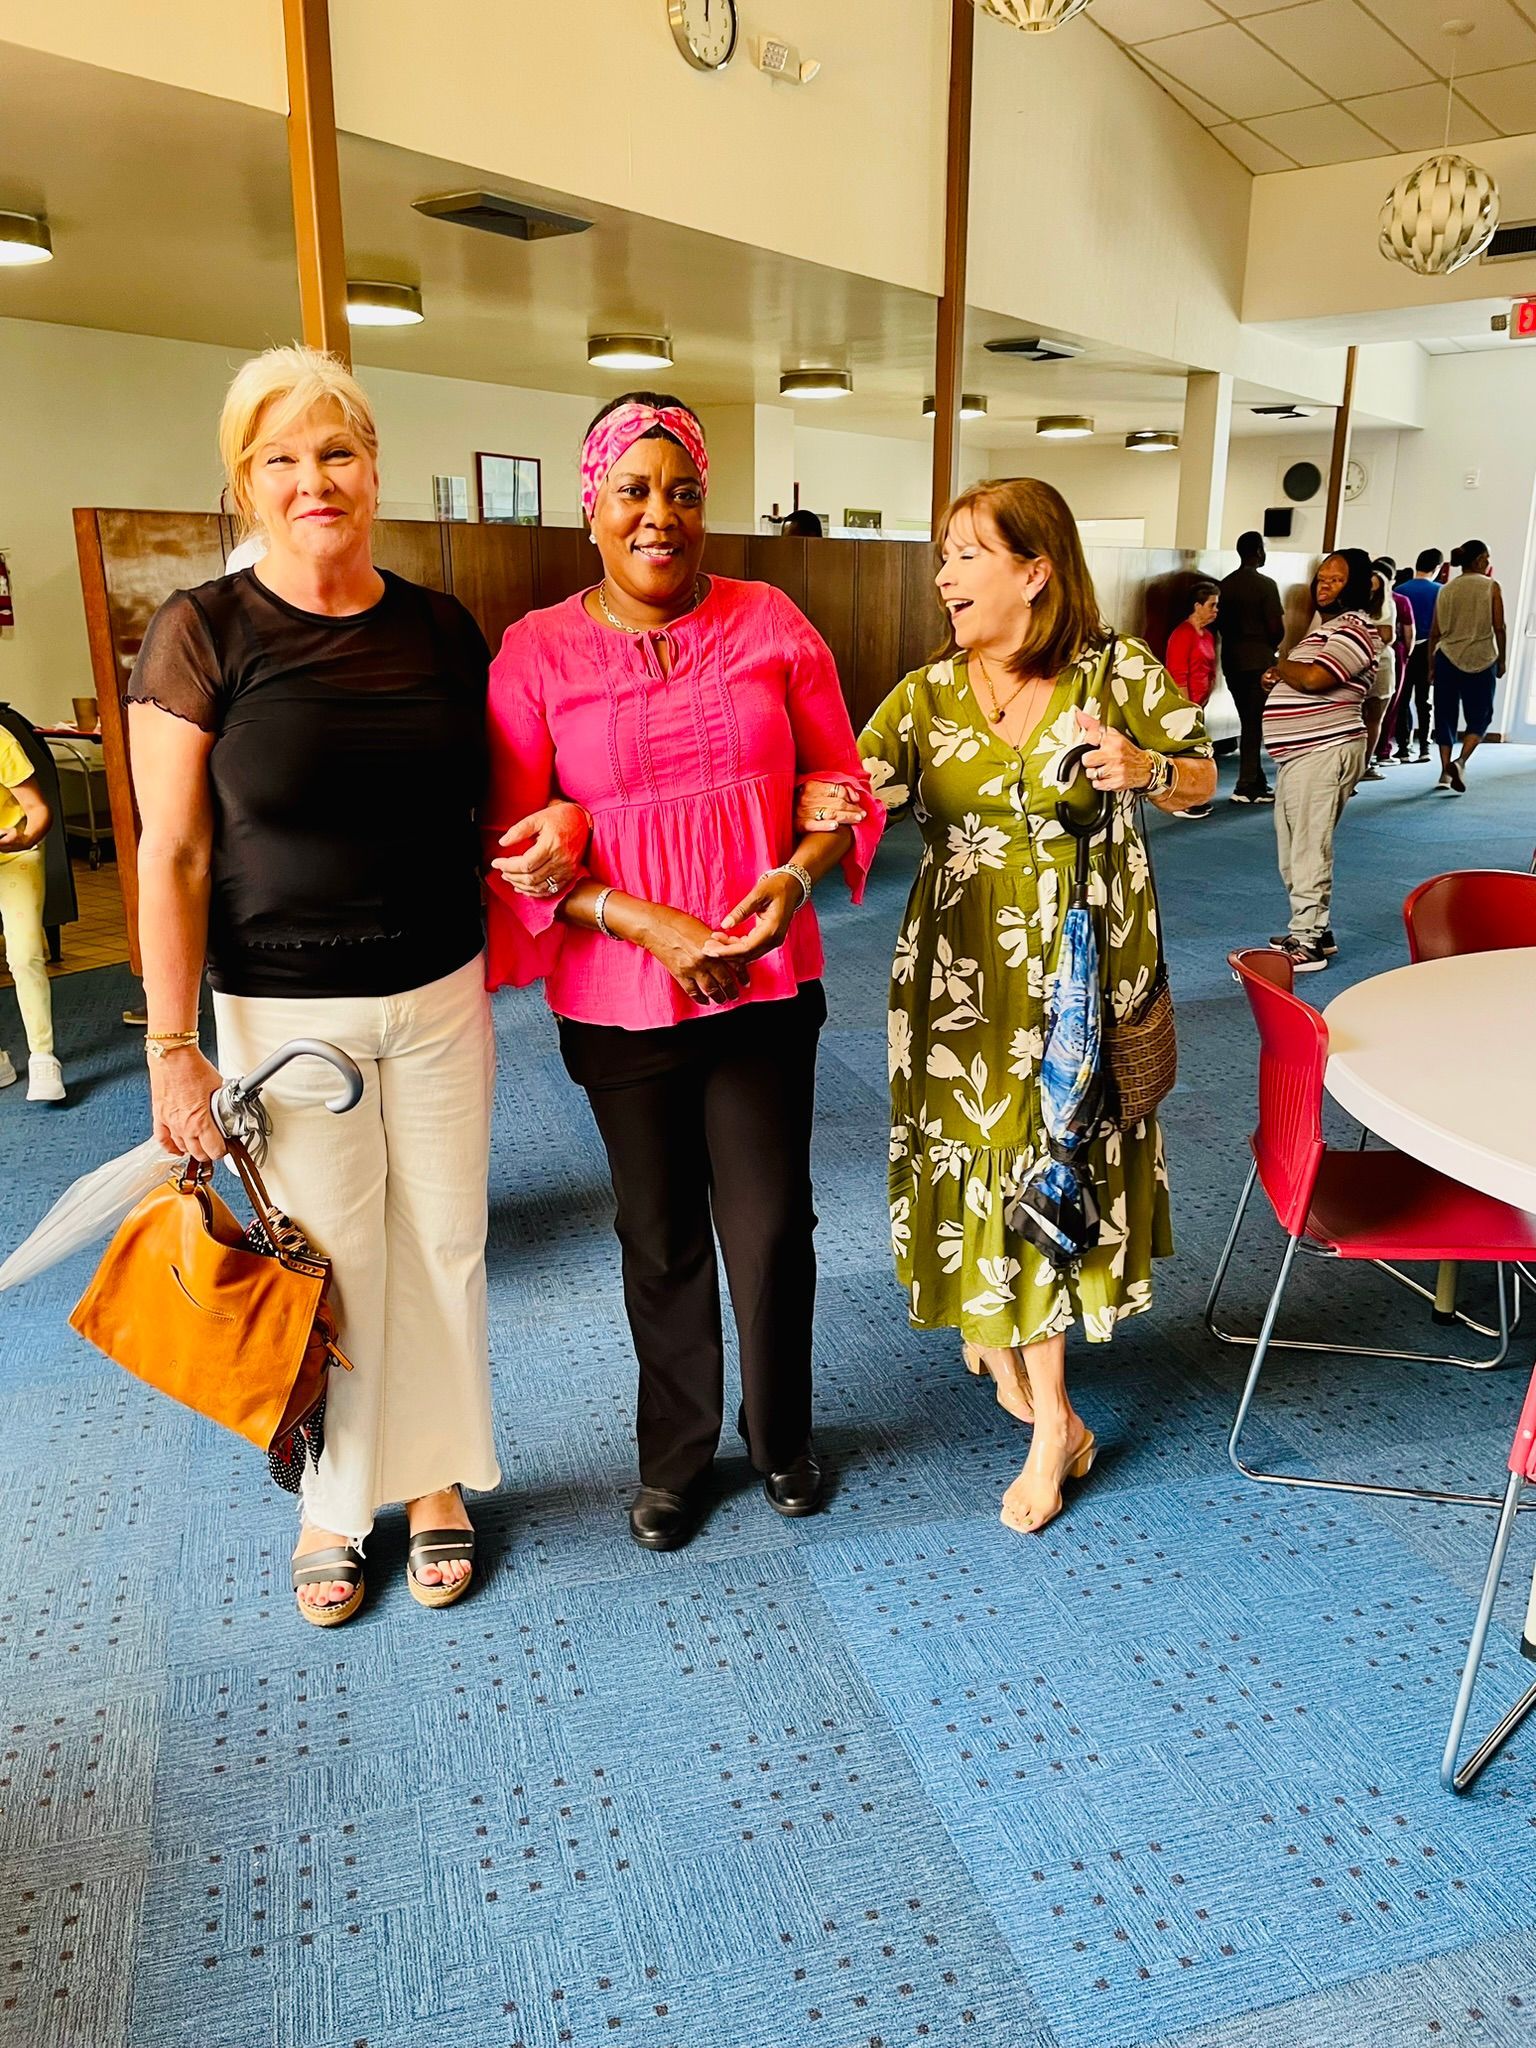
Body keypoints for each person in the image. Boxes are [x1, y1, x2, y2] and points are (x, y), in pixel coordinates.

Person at [127, 344, 587, 1626]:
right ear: (245, 484)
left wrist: (550, 828)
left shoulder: (441, 627)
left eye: (336, 451)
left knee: (444, 1240)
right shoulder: (202, 633)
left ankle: (435, 1475)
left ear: (374, 468)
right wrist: (173, 1044)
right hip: (279, 1010)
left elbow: (495, 808)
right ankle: (335, 1499)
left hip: (440, 988)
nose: (313, 479)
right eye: (280, 458)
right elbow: (170, 851)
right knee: (330, 1257)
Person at [483, 392, 883, 1554]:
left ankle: (781, 1433)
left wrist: (798, 877)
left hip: (762, 984)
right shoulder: (537, 652)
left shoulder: (773, 621)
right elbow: (511, 844)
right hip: (619, 998)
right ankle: (674, 1456)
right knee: (656, 1233)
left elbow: (838, 787)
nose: (662, 515)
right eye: (636, 492)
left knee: (770, 1226)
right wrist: (636, 916)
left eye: (684, 492)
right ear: (592, 509)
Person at [799, 478, 1215, 1537]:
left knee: (1046, 1161)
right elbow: (858, 781)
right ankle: (1011, 1342)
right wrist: (835, 797)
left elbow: (1202, 776)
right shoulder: (927, 691)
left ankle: (1054, 1427)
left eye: (966, 554)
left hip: (1079, 968)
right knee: (978, 1157)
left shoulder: (1115, 670)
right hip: (957, 972)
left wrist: (1147, 763)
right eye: (942, 556)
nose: (943, 576)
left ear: (1035, 570)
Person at [1261, 549, 1377, 972]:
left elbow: (1314, 678)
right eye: (1321, 578)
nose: (1324, 585)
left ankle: (1307, 940)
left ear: (1359, 585)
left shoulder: (1354, 629)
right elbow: (1303, 671)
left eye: (1337, 579)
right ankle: (1316, 930)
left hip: (1324, 750)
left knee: (1309, 847)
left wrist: (1281, 665)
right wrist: (1284, 672)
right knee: (1293, 848)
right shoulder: (1329, 629)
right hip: (1304, 752)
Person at [0, 728, 64, 1101]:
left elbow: (38, 810)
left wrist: (24, 839)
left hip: (16, 854)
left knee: (24, 955)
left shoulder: (2, 742)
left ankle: (43, 1055)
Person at [1429, 540, 1506, 796]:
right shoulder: (1491, 587)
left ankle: (1443, 771)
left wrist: (1431, 664)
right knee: (1480, 716)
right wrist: (1502, 659)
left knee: (1445, 714)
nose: (1488, 563)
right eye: (1487, 558)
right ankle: (1460, 762)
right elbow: (1499, 627)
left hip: (1447, 658)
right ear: (1480, 559)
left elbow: (1435, 632)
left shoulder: (1445, 589)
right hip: (1481, 658)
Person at [1218, 532, 1283, 806]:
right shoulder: (1266, 585)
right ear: (1257, 551)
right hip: (1259, 661)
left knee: (1249, 720)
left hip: (1232, 660)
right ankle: (1247, 785)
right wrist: (1271, 650)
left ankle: (1255, 781)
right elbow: (1276, 628)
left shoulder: (1225, 585)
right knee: (1254, 723)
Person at [1164, 580, 1218, 819]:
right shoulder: (1182, 634)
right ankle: (1181, 801)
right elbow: (1177, 674)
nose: (1216, 610)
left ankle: (1194, 799)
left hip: (1199, 703)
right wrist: (1187, 707)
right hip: (1185, 704)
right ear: (1197, 606)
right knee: (1185, 754)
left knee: (1197, 754)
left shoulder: (1206, 635)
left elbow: (1209, 668)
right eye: (1212, 605)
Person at [1394, 548, 1443, 762]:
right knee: (1424, 699)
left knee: (1402, 698)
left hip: (1404, 648)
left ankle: (1403, 748)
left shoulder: (1400, 589)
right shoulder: (1441, 591)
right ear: (1437, 568)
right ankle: (1425, 747)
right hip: (1428, 649)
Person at [1370, 556, 1416, 766]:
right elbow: (1408, 633)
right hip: (1391, 655)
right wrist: (1406, 655)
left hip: (1362, 654)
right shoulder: (1397, 600)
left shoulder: (1357, 600)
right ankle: (1382, 751)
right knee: (1388, 705)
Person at [1356, 564, 1399, 783]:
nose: (1371, 593)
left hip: (1380, 666)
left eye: (1376, 589)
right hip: (1355, 666)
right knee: (1354, 719)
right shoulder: (1352, 606)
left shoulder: (1387, 605)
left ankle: (1364, 764)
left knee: (1373, 718)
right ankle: (1354, 765)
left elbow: (1387, 635)